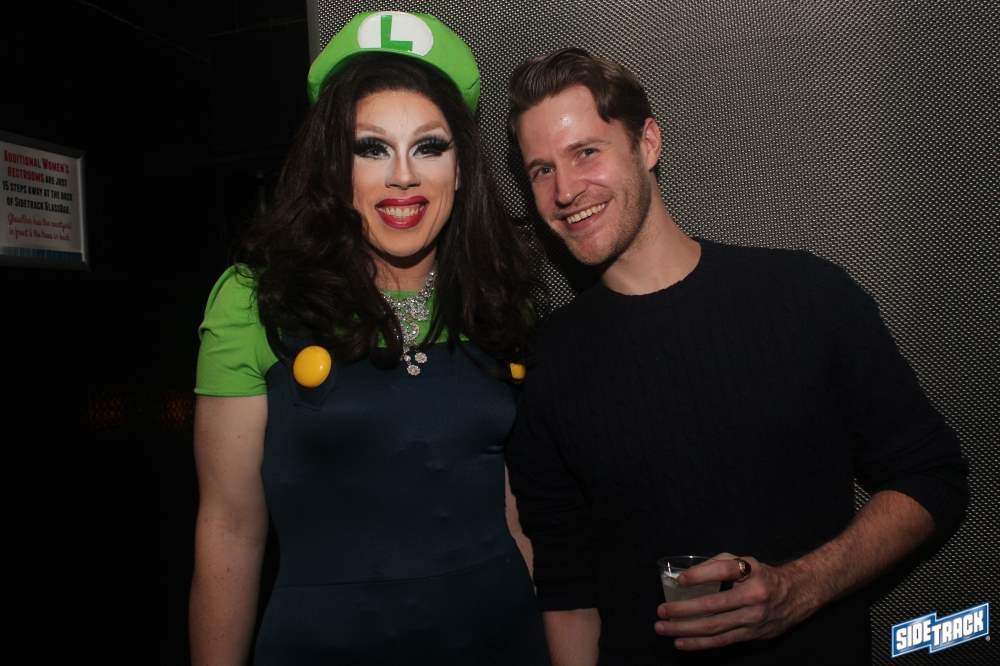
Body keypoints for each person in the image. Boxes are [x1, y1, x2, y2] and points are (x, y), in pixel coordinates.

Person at [504, 47, 968, 665]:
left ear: (647, 143)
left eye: (586, 152)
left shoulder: (807, 297)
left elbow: (932, 475)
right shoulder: (548, 362)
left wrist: (801, 587)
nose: (565, 190)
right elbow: (567, 591)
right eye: (541, 169)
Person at [188, 11, 549, 665]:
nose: (403, 175)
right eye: (371, 148)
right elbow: (229, 528)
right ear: (332, 168)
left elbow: (518, 517)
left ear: (461, 169)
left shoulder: (499, 297)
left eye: (429, 146)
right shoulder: (254, 300)